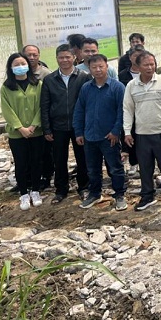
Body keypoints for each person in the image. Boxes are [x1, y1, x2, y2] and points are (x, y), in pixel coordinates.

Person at [123, 51, 161, 211]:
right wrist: (127, 132)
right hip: (142, 135)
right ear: (138, 66)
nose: (150, 67)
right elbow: (127, 109)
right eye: (146, 64)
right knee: (145, 168)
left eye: (152, 64)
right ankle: (147, 196)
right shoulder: (131, 85)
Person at [72, 54, 127, 210]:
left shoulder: (117, 87)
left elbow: (122, 111)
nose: (98, 70)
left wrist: (115, 131)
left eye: (101, 66)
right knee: (92, 169)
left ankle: (120, 195)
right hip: (90, 136)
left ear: (106, 67)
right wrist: (79, 132)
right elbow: (79, 110)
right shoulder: (86, 88)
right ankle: (95, 194)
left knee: (115, 168)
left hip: (109, 137)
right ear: (89, 69)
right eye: (94, 67)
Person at [40, 44, 92, 204]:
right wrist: (46, 128)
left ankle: (84, 187)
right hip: (58, 126)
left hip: (79, 126)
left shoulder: (84, 77)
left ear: (74, 58)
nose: (64, 60)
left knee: (82, 157)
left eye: (67, 57)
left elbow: (89, 103)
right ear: (56, 59)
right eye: (61, 57)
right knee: (59, 159)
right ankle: (61, 189)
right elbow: (45, 105)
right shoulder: (49, 79)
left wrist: (87, 125)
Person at [1, 52, 44, 210]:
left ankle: (36, 191)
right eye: (16, 65)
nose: (20, 67)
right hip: (17, 134)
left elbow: (42, 106)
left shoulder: (38, 84)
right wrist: (20, 128)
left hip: (36, 132)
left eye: (23, 63)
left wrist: (33, 125)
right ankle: (24, 193)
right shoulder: (6, 88)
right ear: (10, 68)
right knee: (21, 163)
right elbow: (7, 110)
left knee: (36, 161)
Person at [23, 44, 52, 188]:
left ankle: (46, 177)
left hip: (41, 121)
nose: (32, 57)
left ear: (39, 56)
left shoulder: (46, 74)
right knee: (25, 153)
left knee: (44, 152)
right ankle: (26, 179)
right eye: (28, 55)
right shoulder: (19, 72)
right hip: (23, 123)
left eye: (35, 55)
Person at [118, 46, 145, 177]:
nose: (137, 58)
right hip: (129, 109)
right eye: (135, 56)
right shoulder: (123, 74)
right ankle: (134, 163)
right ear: (130, 58)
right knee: (131, 136)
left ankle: (147, 163)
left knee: (145, 139)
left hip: (145, 109)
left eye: (140, 56)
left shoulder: (147, 72)